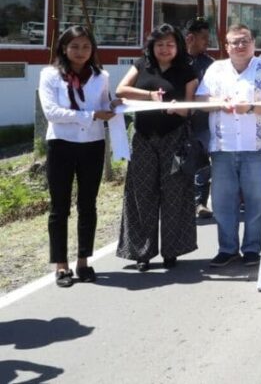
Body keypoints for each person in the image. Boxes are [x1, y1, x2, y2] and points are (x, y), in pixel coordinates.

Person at [38, 25, 120, 287]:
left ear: (92, 48)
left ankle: (83, 261)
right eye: (74, 46)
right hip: (61, 144)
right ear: (64, 47)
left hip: (92, 144)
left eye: (86, 46)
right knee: (59, 206)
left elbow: (103, 105)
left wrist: (115, 105)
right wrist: (91, 115)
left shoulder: (101, 76)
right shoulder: (50, 75)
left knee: (88, 204)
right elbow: (52, 112)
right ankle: (61, 265)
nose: (80, 52)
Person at [195, 24, 261, 268]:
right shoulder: (216, 69)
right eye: (235, 42)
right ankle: (227, 248)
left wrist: (251, 107)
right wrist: (217, 101)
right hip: (222, 147)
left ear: (254, 43)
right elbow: (201, 99)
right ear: (227, 46)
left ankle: (253, 249)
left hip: (258, 148)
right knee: (223, 201)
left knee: (256, 202)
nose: (240, 46)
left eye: (245, 41)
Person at [115, 24, 198, 271]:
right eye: (159, 44)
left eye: (170, 44)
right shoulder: (141, 65)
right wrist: (149, 96)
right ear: (152, 46)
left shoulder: (187, 71)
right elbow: (121, 90)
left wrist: (175, 107)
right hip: (143, 137)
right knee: (141, 194)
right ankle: (142, 252)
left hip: (175, 138)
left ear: (178, 46)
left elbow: (190, 108)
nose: (164, 48)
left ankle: (172, 251)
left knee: (175, 195)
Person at [184, 18, 215, 219]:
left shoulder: (211, 64)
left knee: (204, 163)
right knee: (182, 163)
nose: (207, 41)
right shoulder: (176, 60)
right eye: (203, 38)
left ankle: (200, 203)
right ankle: (181, 202)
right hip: (180, 121)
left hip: (203, 122)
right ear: (190, 38)